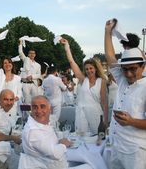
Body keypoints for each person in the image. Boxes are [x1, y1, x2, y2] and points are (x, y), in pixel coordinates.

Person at [105, 19, 146, 169]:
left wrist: (131, 121)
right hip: (116, 146)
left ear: (143, 66)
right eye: (125, 69)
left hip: (136, 154)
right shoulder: (122, 79)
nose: (128, 74)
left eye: (133, 69)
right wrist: (107, 32)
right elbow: (110, 58)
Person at [19, 95, 92, 169]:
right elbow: (55, 154)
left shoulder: (39, 123)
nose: (39, 111)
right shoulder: (33, 131)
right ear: (31, 109)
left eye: (42, 106)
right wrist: (63, 144)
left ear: (49, 109)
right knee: (90, 166)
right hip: (48, 165)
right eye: (35, 107)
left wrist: (59, 142)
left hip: (52, 163)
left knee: (88, 157)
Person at [60, 38, 108, 135]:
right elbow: (71, 62)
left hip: (96, 113)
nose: (89, 71)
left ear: (95, 69)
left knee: (96, 138)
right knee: (81, 138)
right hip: (81, 113)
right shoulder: (83, 79)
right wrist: (67, 47)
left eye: (91, 68)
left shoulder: (101, 81)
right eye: (86, 69)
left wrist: (106, 122)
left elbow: (104, 103)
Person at [0, 42, 22, 109]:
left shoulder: (17, 78)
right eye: (5, 63)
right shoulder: (0, 73)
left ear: (12, 65)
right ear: (2, 65)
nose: (7, 64)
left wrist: (15, 99)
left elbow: (19, 92)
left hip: (11, 106)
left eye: (9, 62)